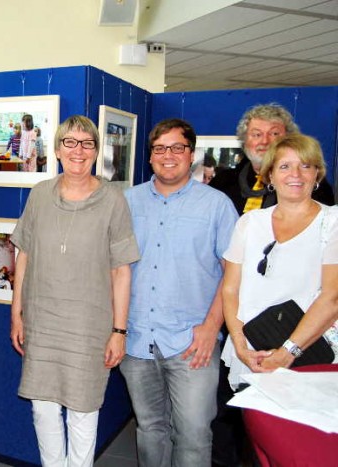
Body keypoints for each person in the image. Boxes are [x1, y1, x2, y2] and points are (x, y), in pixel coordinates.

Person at [10, 115, 139, 467]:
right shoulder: (39, 195)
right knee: (44, 409)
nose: (78, 150)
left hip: (89, 327)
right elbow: (24, 256)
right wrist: (16, 314)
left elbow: (121, 271)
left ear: (96, 151)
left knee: (83, 412)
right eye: (70, 142)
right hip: (42, 322)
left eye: (86, 143)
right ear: (56, 150)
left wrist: (119, 331)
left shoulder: (113, 200)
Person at [120, 118, 238, 467]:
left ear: (191, 154)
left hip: (192, 343)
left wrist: (210, 329)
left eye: (177, 148)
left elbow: (233, 274)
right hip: (137, 340)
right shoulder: (127, 202)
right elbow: (114, 269)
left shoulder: (216, 205)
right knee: (150, 428)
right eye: (159, 148)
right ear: (150, 155)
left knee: (193, 435)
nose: (168, 155)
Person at [221, 134, 338, 385]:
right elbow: (230, 289)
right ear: (270, 176)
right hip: (252, 353)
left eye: (305, 165)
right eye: (285, 166)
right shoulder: (249, 223)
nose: (295, 174)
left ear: (316, 174)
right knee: (252, 424)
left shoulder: (333, 223)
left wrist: (287, 353)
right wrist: (241, 346)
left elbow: (333, 297)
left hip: (309, 354)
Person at [210, 103, 334, 215]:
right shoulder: (222, 183)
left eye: (274, 134)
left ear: (289, 139)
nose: (264, 141)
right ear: (244, 140)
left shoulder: (305, 183)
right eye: (257, 134)